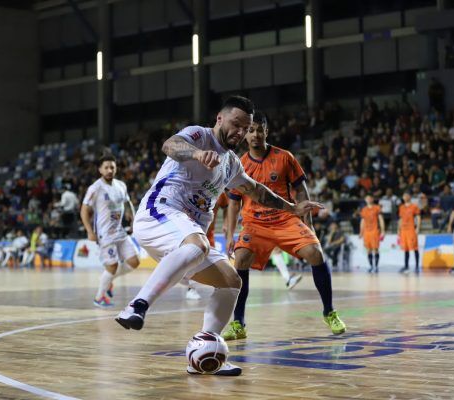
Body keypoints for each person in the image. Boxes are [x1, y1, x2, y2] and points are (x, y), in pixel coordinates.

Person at [115, 96, 322, 376]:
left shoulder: (232, 163)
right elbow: (170, 145)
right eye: (236, 124)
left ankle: (205, 351)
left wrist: (292, 208)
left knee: (231, 280)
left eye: (246, 128)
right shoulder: (198, 136)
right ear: (220, 119)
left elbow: (256, 190)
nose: (241, 132)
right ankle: (136, 306)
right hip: (159, 213)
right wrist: (197, 154)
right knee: (198, 245)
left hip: (186, 235)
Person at [222, 110, 346, 342]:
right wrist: (229, 234)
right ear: (245, 134)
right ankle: (238, 323)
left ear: (267, 131)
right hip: (254, 223)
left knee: (316, 254)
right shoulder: (239, 165)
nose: (256, 134)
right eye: (251, 130)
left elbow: (300, 190)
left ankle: (329, 312)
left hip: (285, 218)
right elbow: (233, 202)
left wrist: (307, 224)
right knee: (240, 261)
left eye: (260, 130)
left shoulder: (284, 157)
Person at [80, 154, 140, 308]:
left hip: (120, 231)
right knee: (112, 266)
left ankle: (109, 279)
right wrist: (89, 231)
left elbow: (128, 203)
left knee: (134, 261)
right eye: (106, 167)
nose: (109, 170)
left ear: (116, 168)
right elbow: (84, 210)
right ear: (100, 170)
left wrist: (133, 219)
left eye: (112, 167)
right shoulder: (95, 188)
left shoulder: (121, 185)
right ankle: (99, 297)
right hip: (104, 233)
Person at [360, 194, 385, 273]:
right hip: (367, 232)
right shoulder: (364, 209)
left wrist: (383, 230)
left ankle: (376, 266)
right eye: (367, 198)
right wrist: (361, 231)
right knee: (368, 250)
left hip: (374, 231)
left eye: (370, 198)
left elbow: (381, 219)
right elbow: (363, 221)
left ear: (372, 199)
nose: (368, 199)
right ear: (365, 199)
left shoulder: (377, 208)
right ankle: (371, 266)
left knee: (376, 249)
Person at [398, 191, 421, 274]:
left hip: (411, 230)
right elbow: (400, 219)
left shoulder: (414, 206)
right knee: (405, 249)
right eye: (404, 196)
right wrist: (399, 229)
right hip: (404, 230)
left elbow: (418, 217)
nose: (405, 197)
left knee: (415, 248)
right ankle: (406, 266)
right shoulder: (401, 207)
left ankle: (417, 266)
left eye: (407, 195)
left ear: (410, 197)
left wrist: (418, 227)